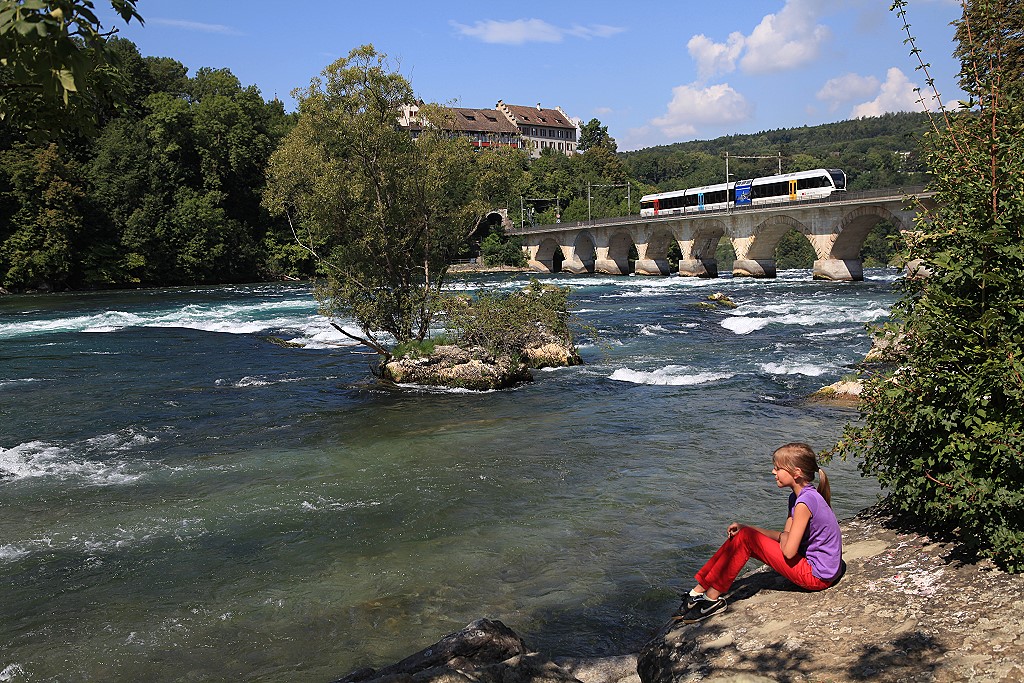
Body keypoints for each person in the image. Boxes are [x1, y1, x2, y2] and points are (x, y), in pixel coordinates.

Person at [677, 442, 843, 624]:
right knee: (742, 535)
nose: (773, 472)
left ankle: (711, 600)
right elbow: (784, 536)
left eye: (778, 468)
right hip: (812, 566)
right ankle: (697, 592)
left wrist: (769, 536)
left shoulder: (805, 503)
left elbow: (788, 551)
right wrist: (748, 527)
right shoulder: (796, 497)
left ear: (796, 472)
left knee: (746, 538)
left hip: (816, 576)